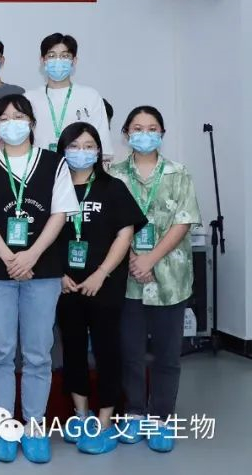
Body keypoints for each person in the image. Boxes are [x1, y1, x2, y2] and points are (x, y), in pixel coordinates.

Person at [0, 94, 78, 464]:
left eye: (19, 116)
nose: (12, 123)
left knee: (37, 352)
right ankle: (2, 426)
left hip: (42, 271)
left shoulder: (54, 163)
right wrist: (9, 257)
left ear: (31, 122)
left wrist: (31, 255)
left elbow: (60, 213)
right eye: (4, 118)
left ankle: (34, 426)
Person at [109, 106, 201, 454]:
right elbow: (110, 223)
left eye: (151, 128)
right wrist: (134, 258)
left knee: (167, 355)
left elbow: (184, 220)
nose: (144, 133)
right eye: (137, 128)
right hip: (127, 277)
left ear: (162, 133)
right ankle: (134, 413)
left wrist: (150, 258)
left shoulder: (179, 173)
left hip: (170, 278)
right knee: (130, 352)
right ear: (126, 133)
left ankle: (161, 418)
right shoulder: (114, 174)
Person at [54, 122, 145, 456]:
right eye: (74, 146)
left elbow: (125, 233)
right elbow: (44, 234)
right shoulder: (55, 187)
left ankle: (105, 422)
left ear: (99, 151)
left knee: (108, 350)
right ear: (62, 150)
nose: (82, 152)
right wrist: (58, 274)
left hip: (105, 285)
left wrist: (102, 273)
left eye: (89, 145)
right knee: (73, 349)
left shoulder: (112, 188)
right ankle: (81, 415)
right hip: (66, 285)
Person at [25, 33, 111, 154]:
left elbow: (102, 140)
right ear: (43, 60)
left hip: (79, 163)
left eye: (65, 56)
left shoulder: (90, 96)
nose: (58, 60)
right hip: (39, 162)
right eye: (51, 55)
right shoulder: (29, 98)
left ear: (74, 61)